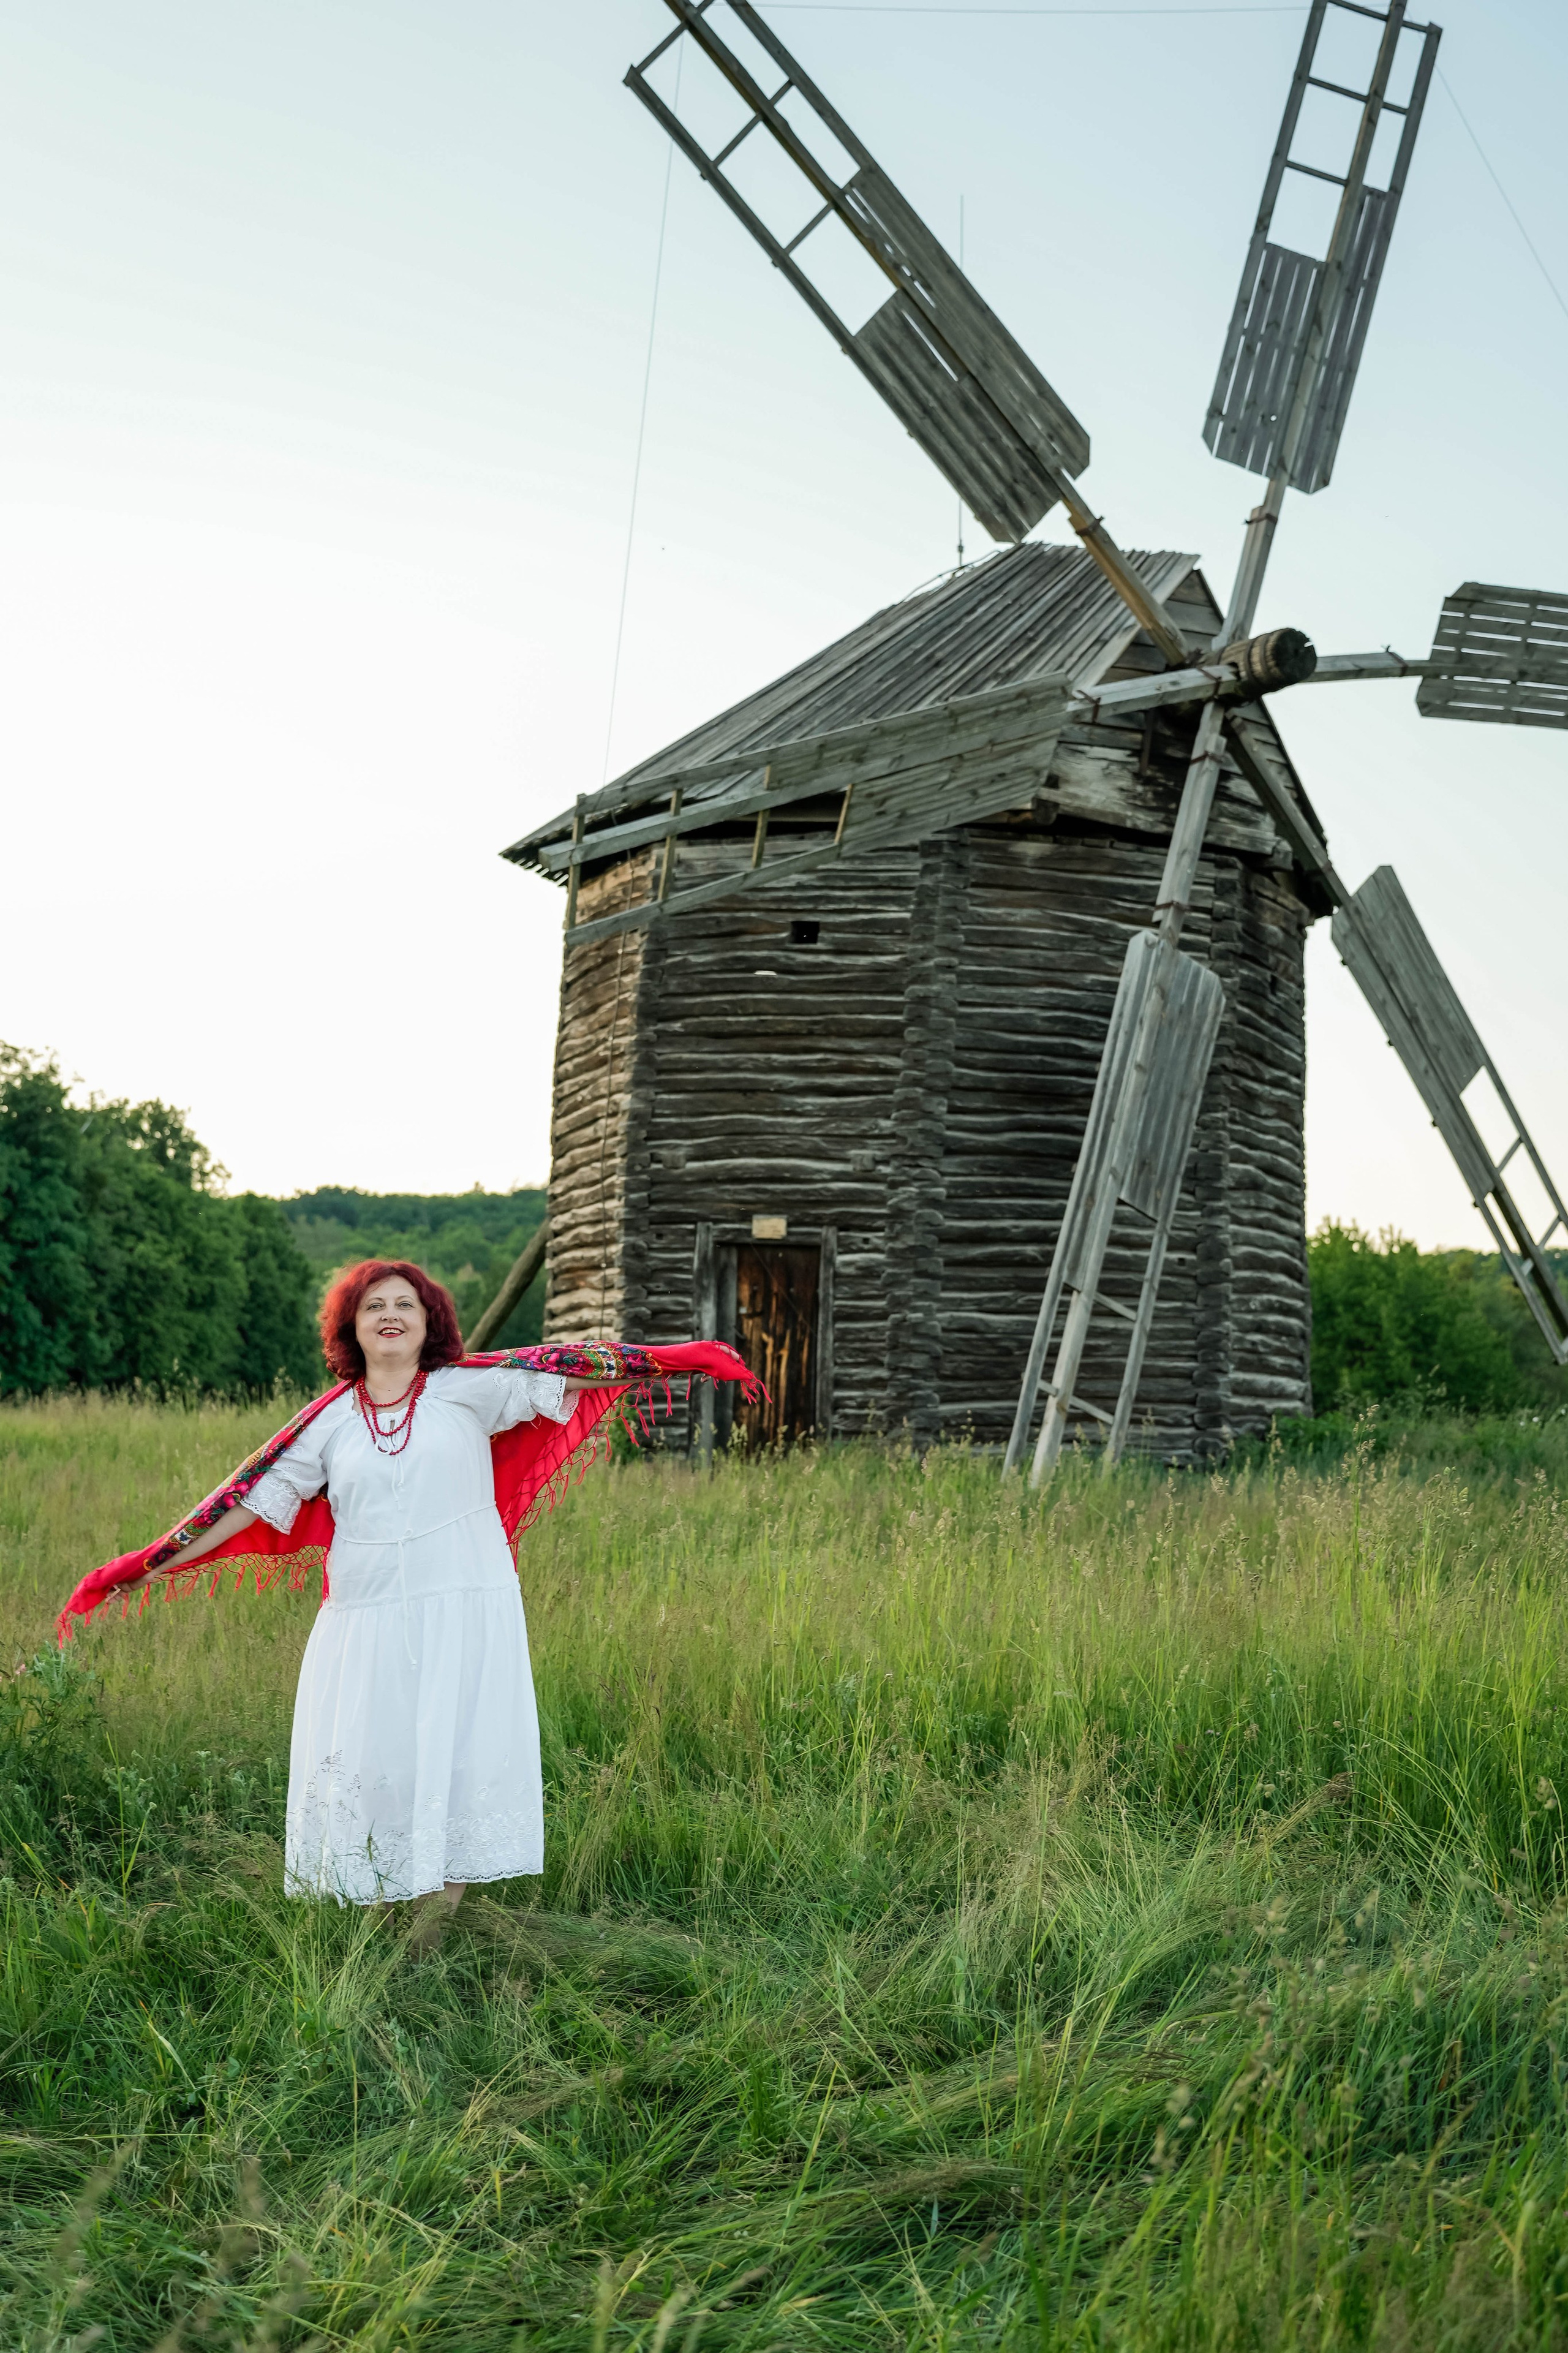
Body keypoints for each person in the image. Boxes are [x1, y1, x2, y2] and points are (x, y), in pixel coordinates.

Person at [61, 1260, 755, 1952]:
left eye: (406, 1305)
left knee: (458, 1759)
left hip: (466, 1607)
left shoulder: (469, 1389)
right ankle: (376, 1925)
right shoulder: (327, 1423)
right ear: (350, 1328)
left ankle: (427, 1937)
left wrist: (682, 1361)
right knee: (374, 1764)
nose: (390, 1314)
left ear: (431, 1325)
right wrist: (148, 1567)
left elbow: (577, 1368)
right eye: (373, 1307)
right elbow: (244, 1505)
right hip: (366, 1620)